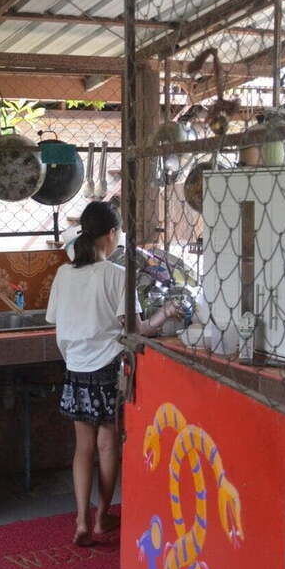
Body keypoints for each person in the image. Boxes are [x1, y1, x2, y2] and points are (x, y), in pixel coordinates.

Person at [45, 201, 179, 545]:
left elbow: (55, 319)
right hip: (107, 369)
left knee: (82, 448)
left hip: (75, 368)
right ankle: (102, 518)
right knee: (107, 445)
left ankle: (80, 520)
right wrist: (165, 314)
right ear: (111, 233)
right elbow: (137, 329)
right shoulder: (118, 275)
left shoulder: (64, 274)